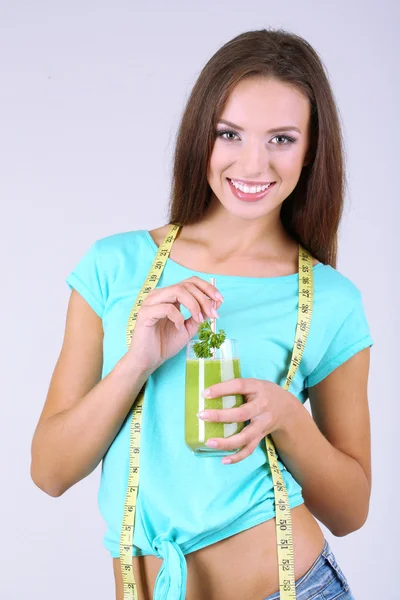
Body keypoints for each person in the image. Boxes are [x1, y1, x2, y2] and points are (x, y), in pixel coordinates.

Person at [30, 28, 374, 600]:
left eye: (282, 138)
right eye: (230, 133)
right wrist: (136, 363)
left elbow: (352, 509)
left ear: (313, 148)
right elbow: (50, 472)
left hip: (291, 586)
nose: (253, 162)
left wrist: (288, 418)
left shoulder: (331, 299)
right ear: (201, 136)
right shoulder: (115, 266)